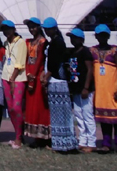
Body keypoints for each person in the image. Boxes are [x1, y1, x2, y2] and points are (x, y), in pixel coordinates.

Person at [89, 24, 117, 157]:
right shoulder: (92, 51)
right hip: (100, 91)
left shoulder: (115, 51)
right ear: (96, 36)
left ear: (108, 36)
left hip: (114, 90)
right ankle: (106, 144)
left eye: (105, 35)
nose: (102, 38)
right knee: (104, 120)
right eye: (100, 35)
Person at [41, 17, 77, 153]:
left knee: (61, 113)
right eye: (45, 29)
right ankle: (60, 142)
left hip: (57, 80)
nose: (47, 31)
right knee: (58, 114)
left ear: (54, 29)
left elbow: (54, 63)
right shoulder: (53, 42)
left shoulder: (58, 43)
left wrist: (46, 77)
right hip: (54, 80)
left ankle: (64, 143)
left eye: (49, 29)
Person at [22, 17, 50, 148]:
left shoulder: (43, 42)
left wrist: (33, 76)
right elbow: (26, 59)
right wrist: (28, 73)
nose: (32, 29)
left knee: (40, 106)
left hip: (38, 75)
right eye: (30, 27)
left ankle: (44, 137)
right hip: (30, 74)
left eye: (33, 27)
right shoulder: (28, 42)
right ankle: (36, 137)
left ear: (39, 27)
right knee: (31, 106)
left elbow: (40, 59)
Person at [66, 28, 95, 153]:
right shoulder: (72, 52)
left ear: (81, 39)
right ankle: (83, 140)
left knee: (87, 115)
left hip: (84, 88)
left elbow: (90, 69)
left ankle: (91, 142)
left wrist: (86, 87)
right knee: (78, 114)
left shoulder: (85, 51)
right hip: (76, 87)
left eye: (75, 38)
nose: (72, 40)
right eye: (71, 38)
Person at [1, 20, 27, 149]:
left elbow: (20, 63)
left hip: (18, 78)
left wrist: (12, 80)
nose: (6, 32)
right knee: (10, 109)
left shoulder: (20, 42)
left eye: (8, 29)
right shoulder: (6, 43)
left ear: (14, 29)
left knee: (17, 107)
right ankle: (17, 134)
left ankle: (19, 137)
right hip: (5, 76)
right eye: (4, 29)